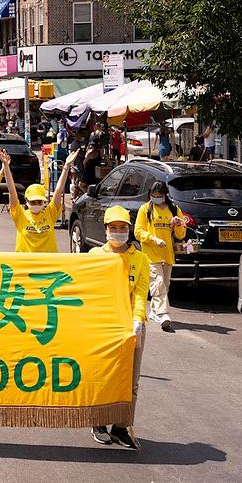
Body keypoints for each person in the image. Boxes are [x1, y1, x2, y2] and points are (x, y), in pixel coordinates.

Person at [88, 205, 148, 451]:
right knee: (104, 375)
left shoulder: (140, 259)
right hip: (103, 326)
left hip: (131, 326)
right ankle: (99, 423)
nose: (118, 232)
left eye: (122, 228)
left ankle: (122, 426)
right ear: (105, 230)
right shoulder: (94, 256)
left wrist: (138, 319)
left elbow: (141, 292)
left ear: (129, 230)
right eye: (113, 228)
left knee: (130, 380)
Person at [1, 147, 80, 253]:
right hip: (25, 265)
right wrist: (6, 166)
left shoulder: (50, 214)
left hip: (48, 265)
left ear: (44, 202)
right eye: (33, 202)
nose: (36, 204)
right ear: (27, 201)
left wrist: (66, 166)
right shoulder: (20, 215)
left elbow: (58, 190)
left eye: (39, 201)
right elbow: (12, 191)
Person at [135, 181, 186, 333]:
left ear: (165, 195)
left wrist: (178, 224)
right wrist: (153, 239)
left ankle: (154, 312)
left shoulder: (174, 209)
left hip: (167, 254)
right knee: (157, 283)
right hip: (150, 254)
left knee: (164, 284)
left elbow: (181, 234)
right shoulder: (145, 209)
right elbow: (138, 231)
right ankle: (164, 314)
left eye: (159, 196)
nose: (156, 198)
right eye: (153, 195)